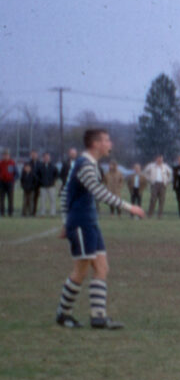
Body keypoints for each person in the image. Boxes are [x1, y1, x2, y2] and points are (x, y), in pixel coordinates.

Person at [53, 128, 146, 330]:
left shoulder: (91, 164)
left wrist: (64, 222)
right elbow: (99, 193)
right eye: (106, 140)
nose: (110, 143)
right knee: (81, 271)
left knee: (102, 268)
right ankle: (63, 314)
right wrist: (131, 207)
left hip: (90, 223)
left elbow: (65, 194)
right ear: (96, 144)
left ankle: (98, 317)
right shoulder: (84, 164)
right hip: (81, 224)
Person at [20, 151, 41, 216]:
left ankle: (33, 212)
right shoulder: (28, 163)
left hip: (36, 185)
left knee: (35, 200)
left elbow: (40, 175)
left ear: (37, 155)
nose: (34, 156)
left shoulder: (39, 163)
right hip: (27, 187)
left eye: (35, 155)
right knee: (27, 200)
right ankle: (26, 212)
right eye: (33, 155)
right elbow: (22, 179)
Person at [38, 151, 59, 217]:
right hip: (43, 186)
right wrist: (40, 181)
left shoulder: (53, 166)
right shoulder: (40, 166)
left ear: (49, 158)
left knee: (52, 200)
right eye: (45, 157)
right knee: (43, 200)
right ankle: (42, 213)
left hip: (51, 186)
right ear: (43, 158)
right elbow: (37, 175)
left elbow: (57, 174)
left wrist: (54, 181)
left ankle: (52, 213)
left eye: (48, 157)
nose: (46, 158)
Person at [0, 149, 15, 217]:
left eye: (7, 155)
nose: (6, 156)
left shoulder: (12, 163)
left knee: (10, 198)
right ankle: (2, 212)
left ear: (9, 155)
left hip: (10, 183)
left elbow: (16, 173)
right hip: (2, 183)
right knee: (1, 198)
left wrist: (13, 180)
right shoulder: (1, 163)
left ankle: (10, 212)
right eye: (4, 155)